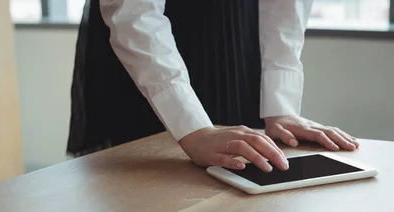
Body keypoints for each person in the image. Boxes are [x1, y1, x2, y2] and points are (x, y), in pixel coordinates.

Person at [68, 0, 359, 172]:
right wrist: (191, 126)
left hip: (237, 41)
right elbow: (135, 13)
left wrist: (280, 106)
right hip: (146, 56)